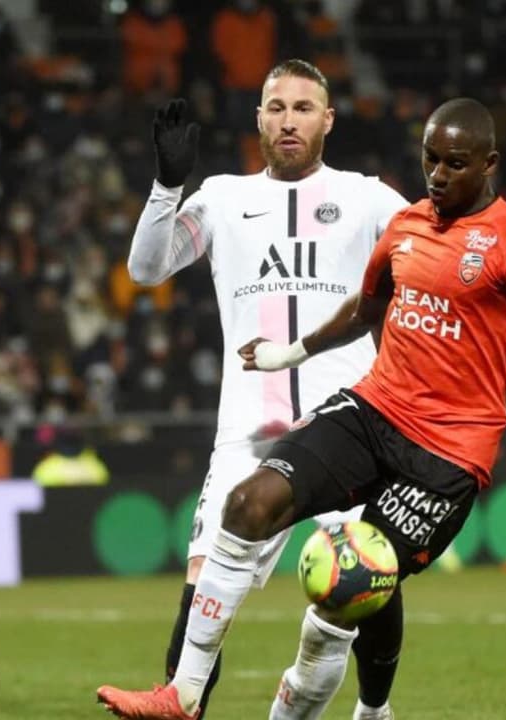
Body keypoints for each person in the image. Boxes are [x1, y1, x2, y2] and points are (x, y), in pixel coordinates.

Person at [98, 98, 506, 720]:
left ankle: (371, 712)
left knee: (343, 594)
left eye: (454, 163)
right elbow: (364, 311)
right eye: (430, 160)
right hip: (372, 411)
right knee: (247, 504)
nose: (438, 175)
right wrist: (286, 354)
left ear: (489, 163)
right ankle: (183, 693)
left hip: (445, 456)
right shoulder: (408, 225)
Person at [123, 59, 409, 718]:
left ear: (328, 120)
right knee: (204, 585)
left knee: (364, 584)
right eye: (276, 107)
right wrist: (167, 186)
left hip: (347, 430)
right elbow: (145, 269)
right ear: (258, 118)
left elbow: (434, 255)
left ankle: (371, 709)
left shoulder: (369, 199)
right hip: (249, 433)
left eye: (303, 108)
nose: (288, 121)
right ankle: (180, 706)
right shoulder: (222, 198)